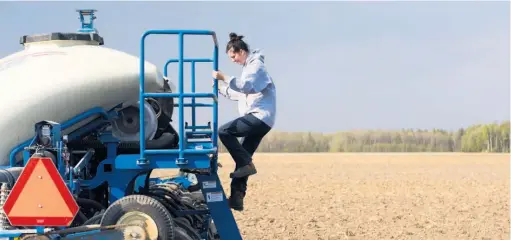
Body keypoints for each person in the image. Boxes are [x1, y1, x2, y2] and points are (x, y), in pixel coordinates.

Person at [212, 32, 276, 211]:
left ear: (240, 51)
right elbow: (240, 93)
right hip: (261, 120)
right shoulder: (248, 70)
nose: (232, 60)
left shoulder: (256, 67)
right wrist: (221, 88)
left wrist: (223, 77)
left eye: (233, 56)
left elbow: (244, 86)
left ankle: (247, 164)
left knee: (225, 132)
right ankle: (237, 198)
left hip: (259, 117)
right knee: (242, 163)